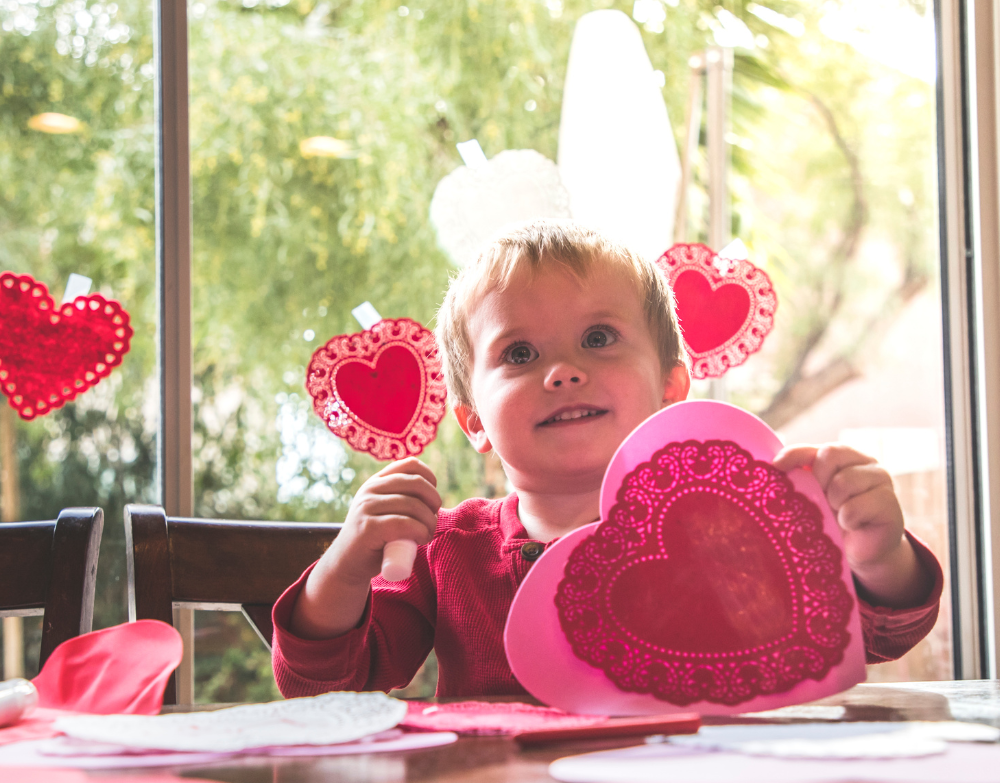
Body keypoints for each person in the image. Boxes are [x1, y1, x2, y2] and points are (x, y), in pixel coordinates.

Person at [272, 220, 941, 699]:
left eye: (599, 338)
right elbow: (325, 683)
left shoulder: (726, 525)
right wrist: (347, 563)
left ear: (671, 389)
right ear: (473, 421)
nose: (563, 372)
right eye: (520, 354)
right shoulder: (446, 553)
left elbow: (874, 635)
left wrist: (876, 555)